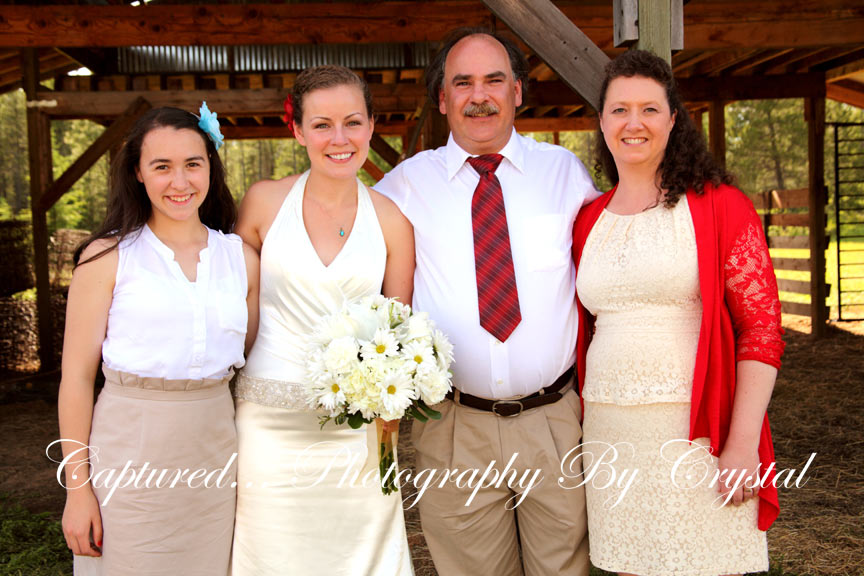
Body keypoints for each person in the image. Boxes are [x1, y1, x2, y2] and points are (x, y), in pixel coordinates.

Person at [375, 28, 597, 576]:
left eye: (494, 80)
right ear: (442, 98)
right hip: (454, 427)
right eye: (463, 83)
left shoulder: (564, 174)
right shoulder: (404, 187)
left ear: (517, 91)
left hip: (554, 421)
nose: (479, 96)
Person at [572, 49, 785, 575]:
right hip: (610, 430)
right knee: (629, 564)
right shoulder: (587, 219)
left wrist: (742, 443)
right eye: (620, 110)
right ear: (602, 121)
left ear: (672, 119)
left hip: (698, 431)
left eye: (649, 109)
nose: (634, 123)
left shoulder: (720, 205)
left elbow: (761, 329)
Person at [58, 105, 260, 575]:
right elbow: (76, 380)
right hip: (129, 452)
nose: (180, 182)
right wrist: (77, 490)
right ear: (138, 172)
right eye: (162, 166)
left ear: (210, 167)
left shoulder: (241, 260)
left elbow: (247, 357)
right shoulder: (107, 257)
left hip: (214, 454)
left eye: (193, 164)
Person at [230, 65, 415, 575]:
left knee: (362, 554)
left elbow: (397, 336)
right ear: (297, 130)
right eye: (322, 125)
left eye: (353, 122)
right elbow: (234, 309)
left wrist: (387, 431)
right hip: (268, 425)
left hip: (359, 429)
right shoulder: (263, 203)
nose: (339, 139)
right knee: (273, 556)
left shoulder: (393, 221)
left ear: (371, 126)